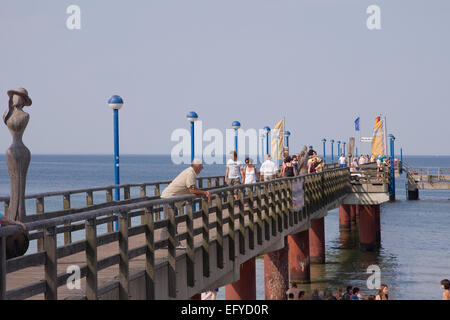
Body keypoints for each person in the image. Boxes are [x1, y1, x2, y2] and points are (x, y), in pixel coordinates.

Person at [160, 159, 210, 248]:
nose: (201, 170)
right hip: (169, 198)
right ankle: (170, 243)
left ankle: (167, 243)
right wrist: (205, 193)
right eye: (201, 168)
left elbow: (193, 189)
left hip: (170, 198)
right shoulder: (190, 173)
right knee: (170, 220)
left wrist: (201, 193)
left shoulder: (190, 172)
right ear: (197, 167)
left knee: (171, 220)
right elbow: (192, 190)